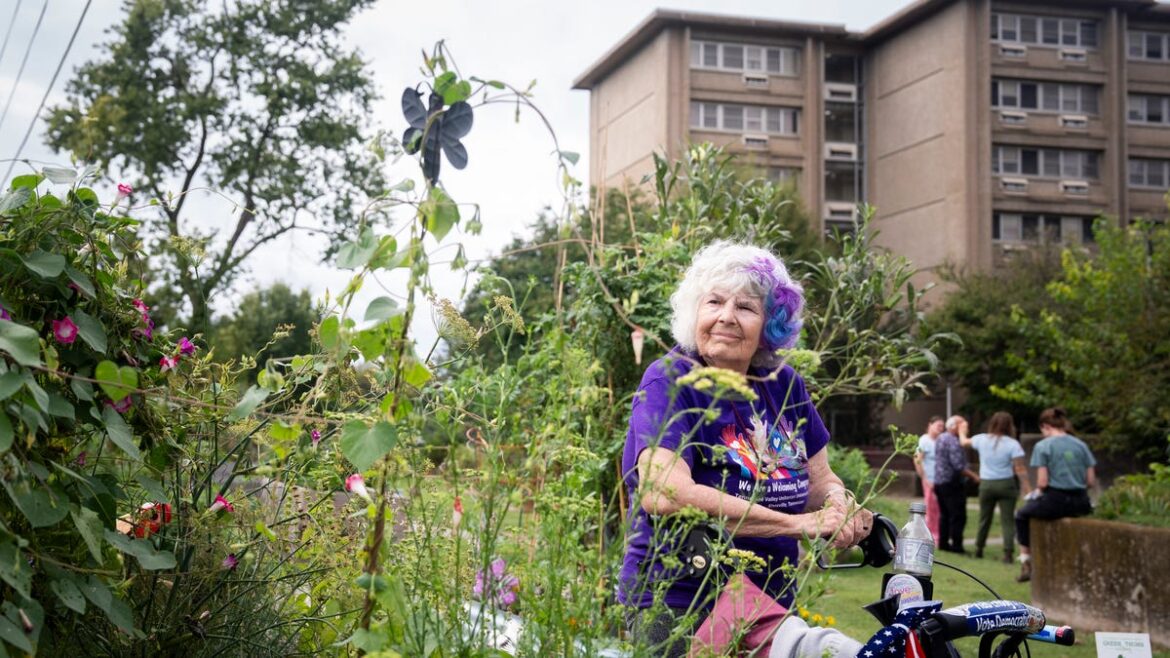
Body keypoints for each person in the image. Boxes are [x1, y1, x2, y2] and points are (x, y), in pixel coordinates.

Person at [617, 241, 872, 658]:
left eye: (746, 308)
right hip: (681, 600)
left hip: (770, 598)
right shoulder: (671, 379)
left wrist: (838, 507)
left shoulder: (784, 383)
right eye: (714, 302)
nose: (726, 317)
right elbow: (663, 492)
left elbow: (821, 478)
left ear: (770, 325)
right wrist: (798, 526)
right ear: (694, 312)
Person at [1014, 407, 1096, 582]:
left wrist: (1036, 493)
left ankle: (1025, 561)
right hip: (1081, 501)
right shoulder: (1081, 445)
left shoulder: (1043, 446)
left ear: (1044, 426)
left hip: (1056, 501)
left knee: (1021, 515)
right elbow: (1090, 481)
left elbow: (1042, 482)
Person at [969, 412, 1032, 562]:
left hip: (986, 484)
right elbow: (1020, 468)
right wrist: (1027, 488)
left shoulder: (981, 439)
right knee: (1008, 520)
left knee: (984, 518)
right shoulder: (1013, 444)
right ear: (1010, 426)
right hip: (1006, 484)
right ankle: (1008, 552)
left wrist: (961, 429)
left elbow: (964, 441)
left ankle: (979, 548)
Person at [933, 415, 979, 554]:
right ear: (956, 426)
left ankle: (943, 543)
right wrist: (974, 476)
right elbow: (958, 465)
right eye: (964, 425)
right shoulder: (953, 441)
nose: (966, 428)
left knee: (945, 514)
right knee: (957, 515)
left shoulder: (941, 438)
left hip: (939, 481)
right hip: (951, 483)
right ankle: (957, 546)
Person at [914, 416, 944, 542]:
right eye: (938, 425)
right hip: (930, 480)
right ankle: (931, 535)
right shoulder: (924, 440)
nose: (941, 429)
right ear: (930, 425)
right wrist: (925, 478)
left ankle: (938, 534)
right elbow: (917, 459)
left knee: (939, 508)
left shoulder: (940, 440)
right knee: (931, 508)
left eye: (942, 427)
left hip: (940, 480)